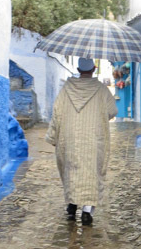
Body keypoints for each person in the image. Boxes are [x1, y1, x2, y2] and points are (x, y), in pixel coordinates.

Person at [46, 58, 118, 225]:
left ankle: (71, 206)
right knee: (90, 173)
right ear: (94, 69)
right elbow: (112, 111)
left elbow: (56, 113)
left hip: (70, 139)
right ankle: (87, 211)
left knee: (71, 171)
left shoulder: (66, 89)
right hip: (93, 140)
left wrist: (53, 136)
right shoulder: (101, 90)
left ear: (78, 69)